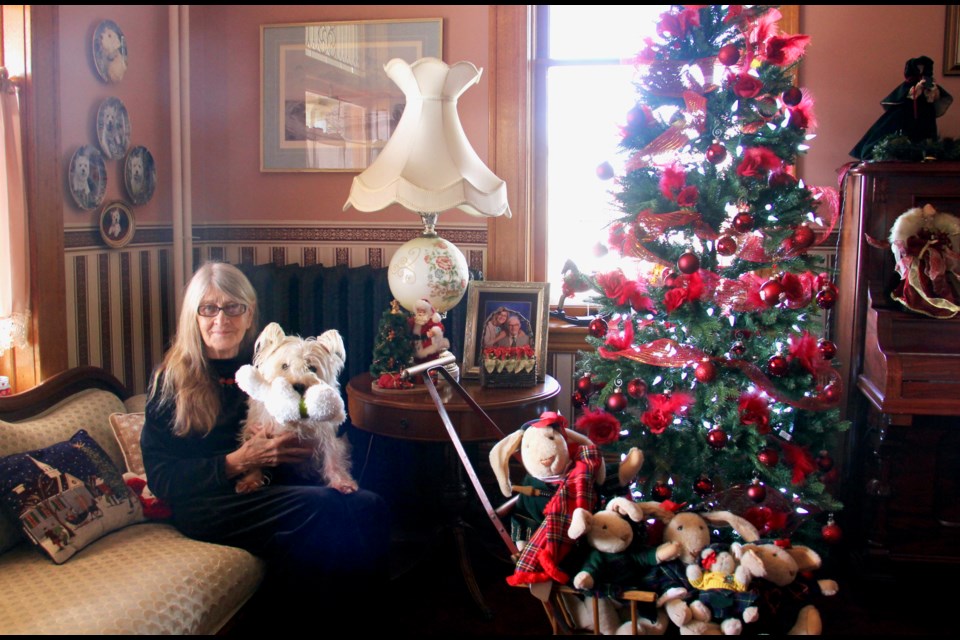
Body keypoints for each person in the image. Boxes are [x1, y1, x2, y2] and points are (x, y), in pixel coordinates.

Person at [140, 262, 390, 628]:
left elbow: (296, 424)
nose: (220, 319)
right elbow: (162, 478)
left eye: (232, 307)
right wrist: (238, 461)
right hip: (209, 503)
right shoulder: (171, 381)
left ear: (249, 313)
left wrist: (300, 450)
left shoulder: (268, 366)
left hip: (269, 486)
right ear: (193, 317)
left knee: (371, 506)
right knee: (324, 510)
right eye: (208, 308)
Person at [850, 55, 954, 160]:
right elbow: (904, 96)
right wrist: (916, 91)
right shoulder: (908, 86)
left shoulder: (929, 83)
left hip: (925, 113)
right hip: (908, 114)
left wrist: (931, 92)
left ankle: (927, 150)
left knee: (927, 133)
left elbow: (935, 97)